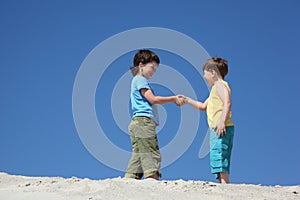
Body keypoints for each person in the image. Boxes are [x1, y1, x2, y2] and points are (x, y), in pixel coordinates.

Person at [125, 49, 183, 180]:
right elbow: (153, 99)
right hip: (143, 122)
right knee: (151, 153)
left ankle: (129, 180)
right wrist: (173, 98)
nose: (153, 71)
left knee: (139, 155)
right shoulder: (140, 80)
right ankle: (153, 180)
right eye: (152, 67)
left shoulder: (136, 80)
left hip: (137, 123)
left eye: (155, 69)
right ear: (141, 65)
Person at [183, 57, 234, 184]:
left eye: (205, 73)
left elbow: (227, 103)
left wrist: (222, 121)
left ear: (213, 72)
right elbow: (202, 106)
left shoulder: (220, 85)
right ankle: (222, 183)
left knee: (220, 155)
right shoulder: (214, 90)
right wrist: (187, 100)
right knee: (217, 156)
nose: (204, 77)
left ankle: (224, 185)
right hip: (216, 128)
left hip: (221, 127)